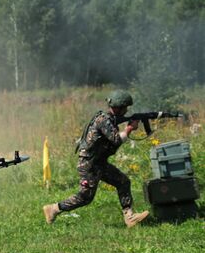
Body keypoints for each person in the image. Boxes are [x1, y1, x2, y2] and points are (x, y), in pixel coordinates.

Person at [42, 90, 149, 228]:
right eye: (125, 107)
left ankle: (130, 217)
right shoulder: (103, 120)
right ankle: (54, 209)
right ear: (118, 107)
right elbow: (116, 140)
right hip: (89, 165)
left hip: (99, 163)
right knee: (85, 197)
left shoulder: (109, 119)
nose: (126, 110)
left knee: (123, 181)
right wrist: (129, 128)